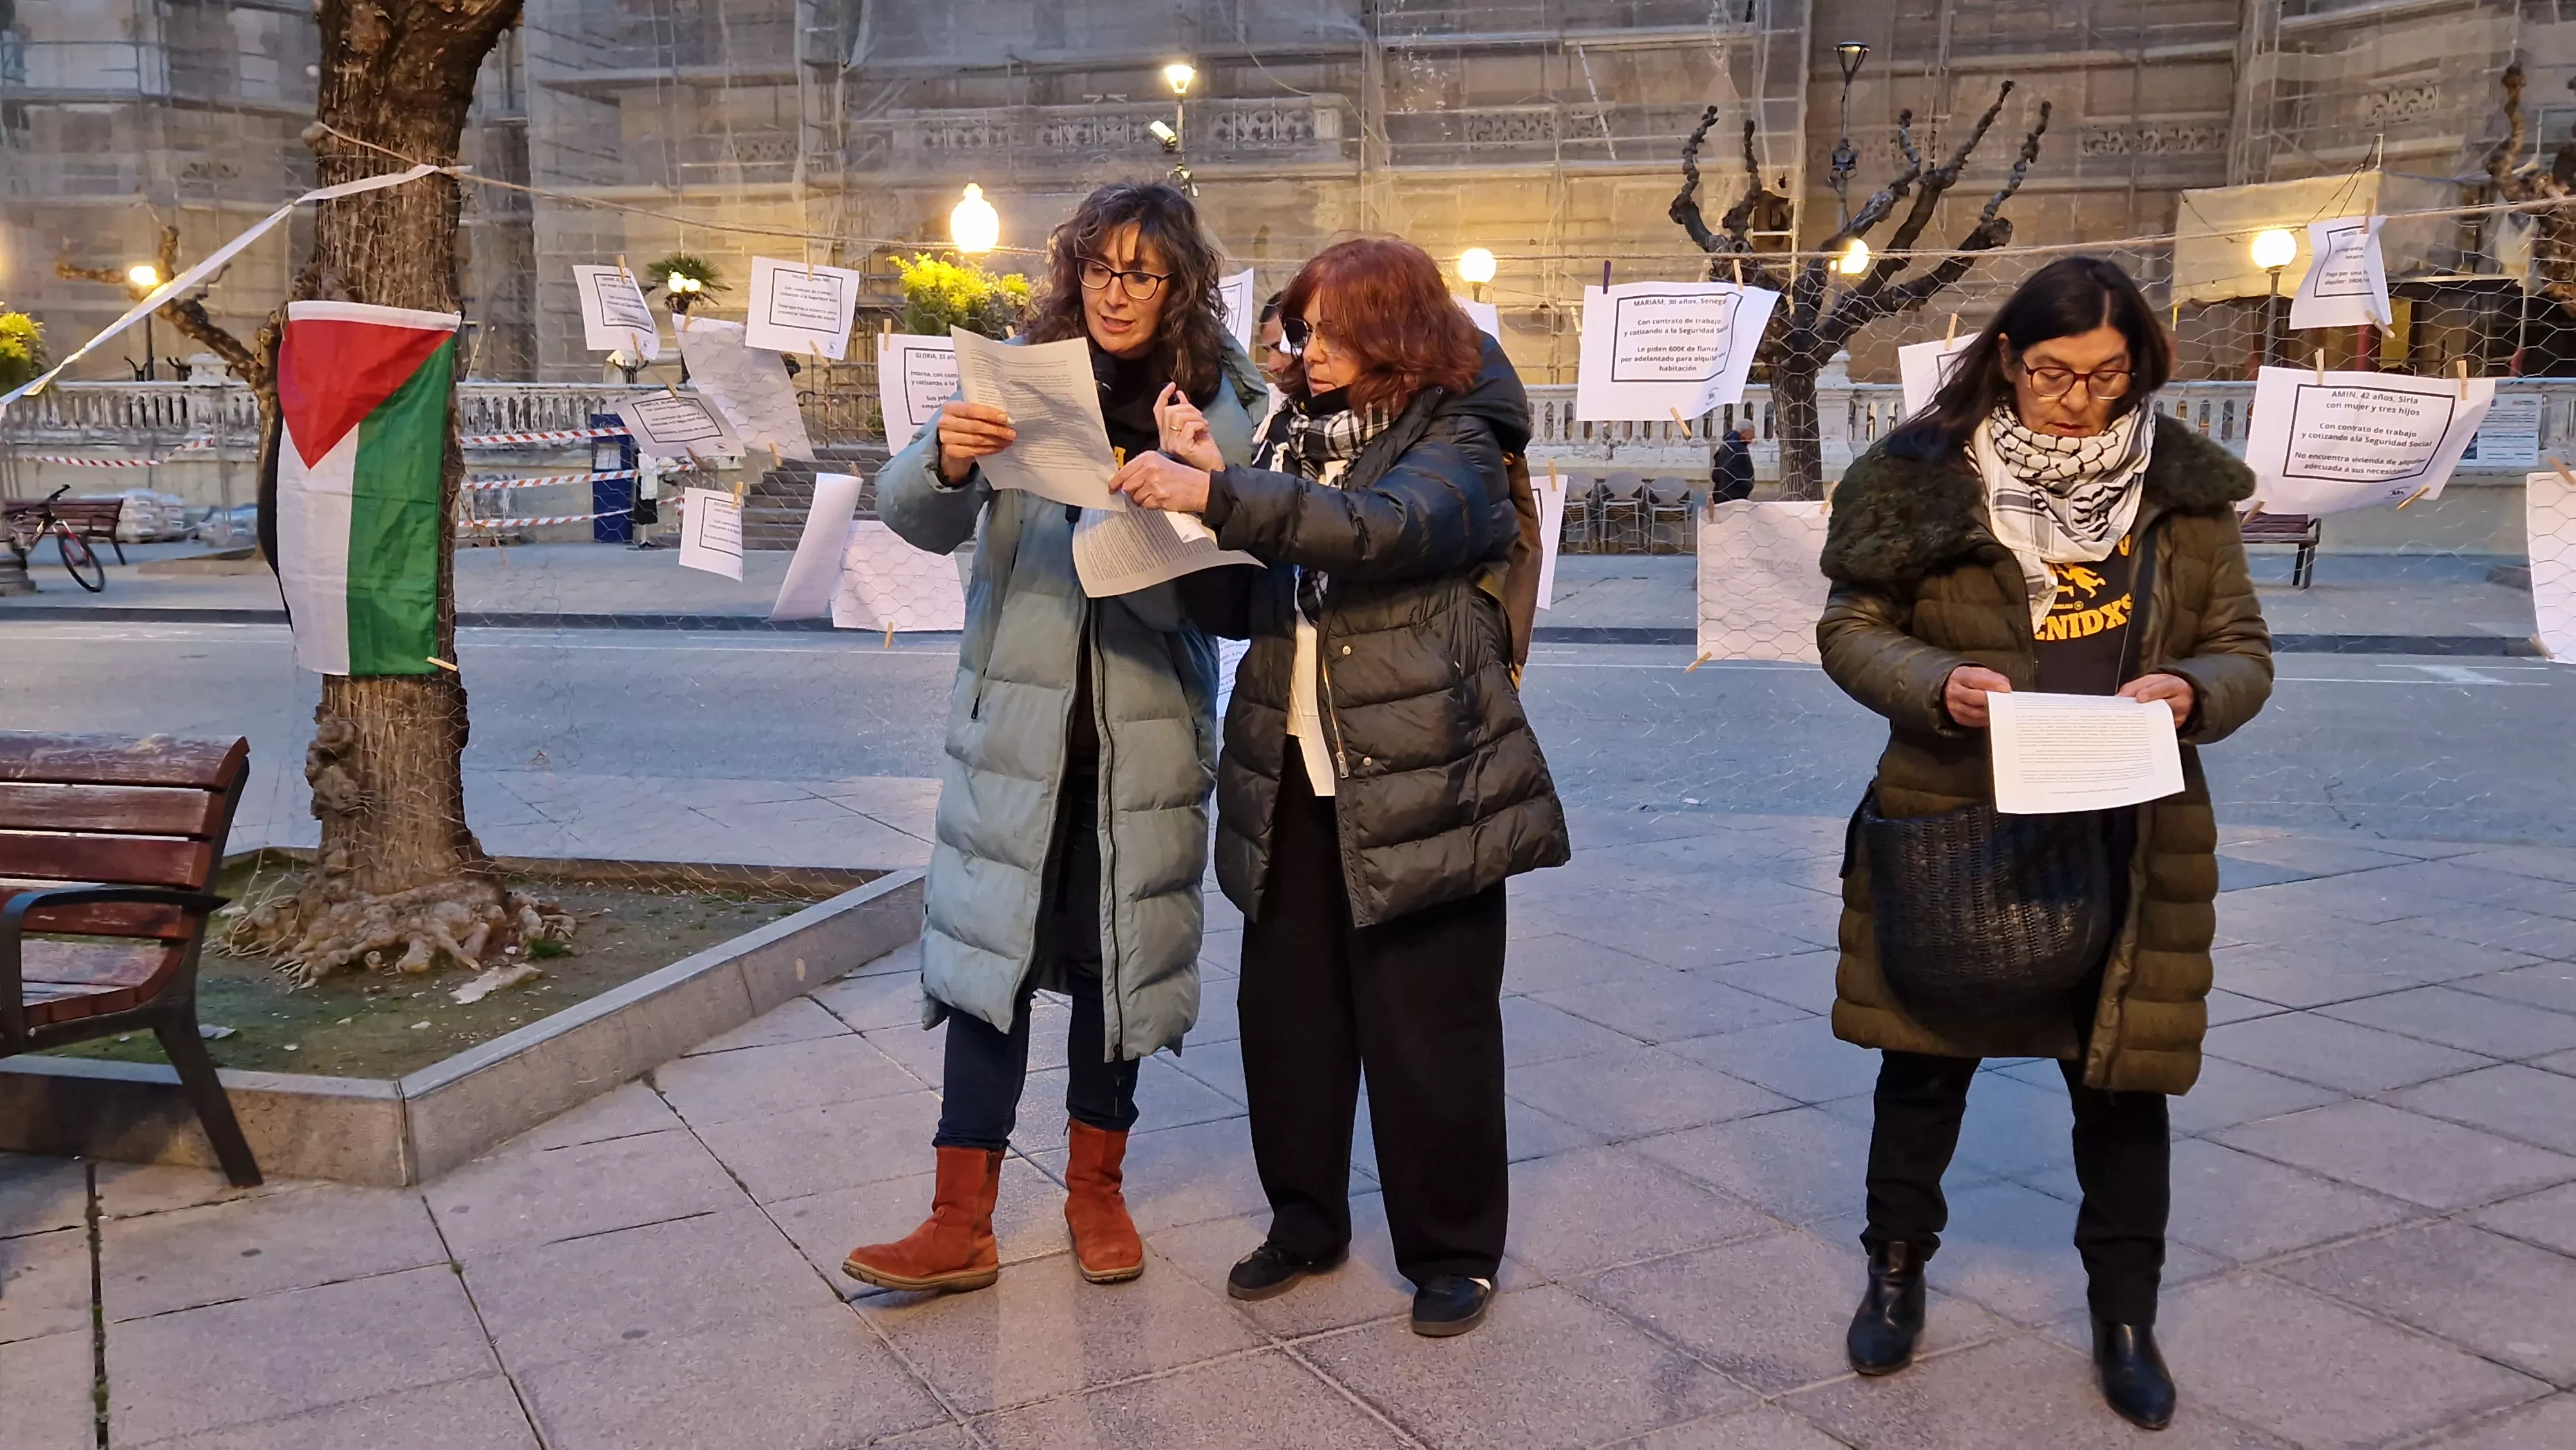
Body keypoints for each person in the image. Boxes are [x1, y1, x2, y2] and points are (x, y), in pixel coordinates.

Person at [1815, 256, 2272, 1428]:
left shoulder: (2182, 493)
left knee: (2122, 1078)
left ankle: (2125, 1313)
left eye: (2111, 377)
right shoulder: (1918, 476)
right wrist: (1933, 682)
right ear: (2009, 360)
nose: (2082, 401)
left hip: (2130, 823)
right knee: (1922, 1061)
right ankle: (1897, 1268)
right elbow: (1851, 626)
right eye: (2057, 373)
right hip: (1953, 810)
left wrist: (2189, 687)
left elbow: (2242, 648)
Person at [1112, 238, 1569, 1338]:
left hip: (1424, 772)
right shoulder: (1284, 438)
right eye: (1301, 328)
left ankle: (1454, 1248)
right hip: (1289, 769)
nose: (1308, 352)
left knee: (1433, 1026)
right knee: (1290, 1020)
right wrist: (1181, 521)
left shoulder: (1460, 437)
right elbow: (1245, 607)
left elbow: (1386, 530)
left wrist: (1223, 493)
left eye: (1333, 330)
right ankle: (1305, 1219)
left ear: (1397, 333)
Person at [842, 182, 1263, 1295]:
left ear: (1179, 286)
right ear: (1074, 270)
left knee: (1113, 965)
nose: (1117, 292)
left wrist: (1192, 489)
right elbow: (915, 518)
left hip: (1144, 732)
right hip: (1018, 729)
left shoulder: (1222, 401)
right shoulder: (1022, 378)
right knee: (990, 960)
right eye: (1099, 267)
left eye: (1143, 273)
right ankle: (957, 1218)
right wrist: (947, 456)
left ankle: (1097, 1192)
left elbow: (1243, 578)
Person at [1710, 424, 1755, 503]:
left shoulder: (1726, 446)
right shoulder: (1737, 448)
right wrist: (1747, 486)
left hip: (1720, 496)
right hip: (1733, 498)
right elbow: (1730, 471)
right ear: (1744, 432)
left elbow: (1715, 475)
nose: (1753, 437)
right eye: (1752, 434)